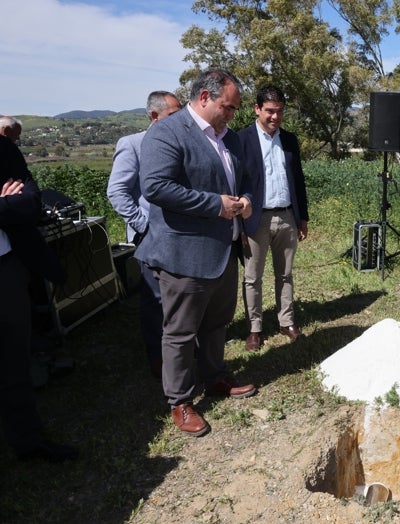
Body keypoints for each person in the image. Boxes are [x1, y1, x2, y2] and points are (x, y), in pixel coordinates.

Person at [135, 69, 256, 437]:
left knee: (217, 323)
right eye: (228, 107)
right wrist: (213, 205)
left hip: (224, 250)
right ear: (205, 97)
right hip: (184, 255)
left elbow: (246, 180)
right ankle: (181, 401)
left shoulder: (230, 139)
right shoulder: (167, 132)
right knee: (181, 332)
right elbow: (155, 187)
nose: (232, 115)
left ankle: (215, 376)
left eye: (235, 109)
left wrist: (247, 201)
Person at [1, 130, 78, 462]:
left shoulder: (2, 148)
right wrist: (3, 204)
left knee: (13, 361)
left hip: (6, 269)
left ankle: (28, 442)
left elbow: (31, 202)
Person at [106, 91, 182, 379]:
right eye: (173, 114)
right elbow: (117, 192)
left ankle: (182, 348)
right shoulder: (133, 145)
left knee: (178, 294)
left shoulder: (178, 143)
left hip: (177, 233)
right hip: (150, 236)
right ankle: (157, 356)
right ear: (154, 116)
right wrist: (144, 225)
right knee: (155, 299)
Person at [237, 84, 310, 351]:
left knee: (286, 274)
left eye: (279, 111)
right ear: (257, 109)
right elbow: (235, 183)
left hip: (287, 216)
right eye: (269, 111)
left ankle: (286, 321)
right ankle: (254, 328)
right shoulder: (241, 139)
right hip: (255, 218)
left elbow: (298, 181)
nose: (275, 117)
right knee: (252, 277)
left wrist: (303, 217)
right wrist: (239, 223)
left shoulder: (289, 140)